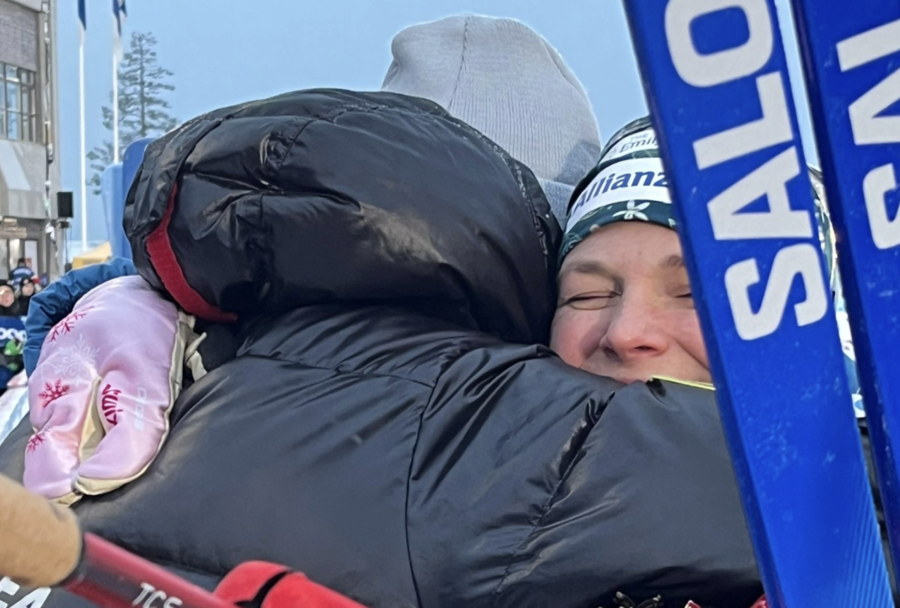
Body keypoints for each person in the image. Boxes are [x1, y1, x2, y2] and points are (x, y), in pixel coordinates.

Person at [1, 23, 761, 608]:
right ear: (526, 250)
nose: (627, 331)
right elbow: (833, 496)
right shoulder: (510, 431)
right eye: (587, 291)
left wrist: (132, 288)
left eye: (691, 290)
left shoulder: (149, 355)